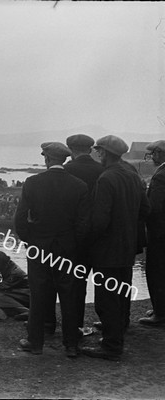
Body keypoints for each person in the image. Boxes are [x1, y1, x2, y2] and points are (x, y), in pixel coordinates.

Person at [15, 142, 89, 358]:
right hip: (67, 248)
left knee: (38, 295)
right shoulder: (79, 186)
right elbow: (83, 224)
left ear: (47, 159)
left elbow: (20, 219)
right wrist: (73, 244)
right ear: (64, 160)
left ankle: (35, 342)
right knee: (69, 295)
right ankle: (71, 345)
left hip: (39, 247)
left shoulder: (32, 182)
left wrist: (31, 239)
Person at [81, 135, 150, 361]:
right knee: (121, 292)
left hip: (107, 250)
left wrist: (87, 239)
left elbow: (100, 220)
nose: (97, 155)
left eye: (99, 151)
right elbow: (145, 211)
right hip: (127, 247)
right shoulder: (132, 175)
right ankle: (118, 331)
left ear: (105, 153)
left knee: (106, 298)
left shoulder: (106, 178)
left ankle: (111, 347)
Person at [64, 134, 105, 332]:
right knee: (105, 284)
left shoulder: (66, 171)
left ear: (71, 150)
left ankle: (75, 327)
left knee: (74, 287)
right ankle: (109, 323)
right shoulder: (103, 170)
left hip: (73, 237)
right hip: (99, 237)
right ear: (90, 150)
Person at [138, 140, 165, 326]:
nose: (152, 157)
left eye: (153, 154)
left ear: (160, 153)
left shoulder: (160, 176)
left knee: (157, 272)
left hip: (160, 234)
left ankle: (160, 313)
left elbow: (154, 209)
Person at [0, 251, 30, 320]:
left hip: (27, 295)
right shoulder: (8, 267)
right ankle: (21, 311)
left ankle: (26, 311)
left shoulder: (14, 273)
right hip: (21, 295)